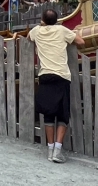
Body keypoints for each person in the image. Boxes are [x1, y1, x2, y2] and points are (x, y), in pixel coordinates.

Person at [28, 8, 84, 162]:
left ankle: (50, 149)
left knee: (48, 114)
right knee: (62, 115)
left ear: (43, 20)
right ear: (57, 19)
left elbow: (28, 37)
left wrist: (41, 26)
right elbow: (80, 41)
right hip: (61, 76)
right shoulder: (61, 30)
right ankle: (58, 151)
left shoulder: (37, 31)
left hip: (45, 75)